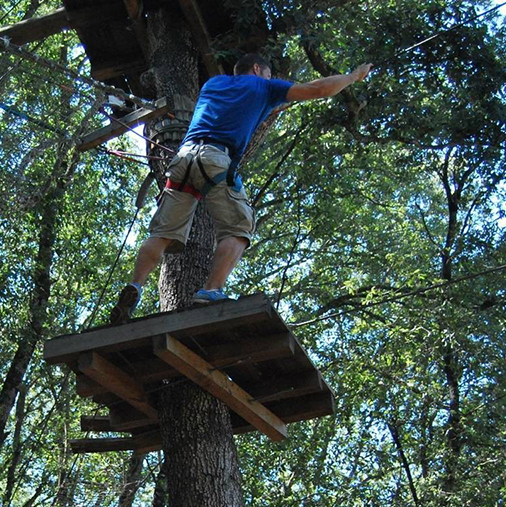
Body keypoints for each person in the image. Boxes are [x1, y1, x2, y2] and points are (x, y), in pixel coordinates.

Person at [109, 53, 373, 324]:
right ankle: (210, 291)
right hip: (215, 158)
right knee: (240, 226)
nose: (271, 80)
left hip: (184, 157)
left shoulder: (214, 84)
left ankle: (135, 286)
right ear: (258, 69)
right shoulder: (265, 87)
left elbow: (238, 108)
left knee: (163, 233)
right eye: (269, 75)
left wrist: (269, 103)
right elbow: (319, 88)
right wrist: (353, 76)